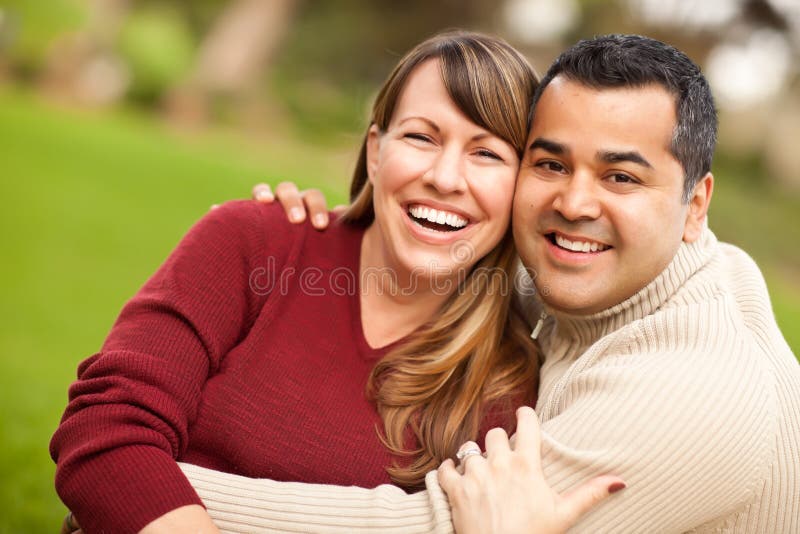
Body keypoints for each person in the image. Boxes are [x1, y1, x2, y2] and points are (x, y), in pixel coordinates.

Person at [180, 34, 800, 532]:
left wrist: (149, 487)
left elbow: (432, 526)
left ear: (697, 205)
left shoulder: (695, 393)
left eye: (621, 178)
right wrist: (308, 235)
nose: (575, 202)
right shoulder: (590, 278)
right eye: (552, 164)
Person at [52, 32, 621, 534]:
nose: (446, 178)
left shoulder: (504, 384)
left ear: (521, 186)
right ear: (376, 152)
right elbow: (106, 429)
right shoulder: (254, 241)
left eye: (487, 153)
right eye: (421, 138)